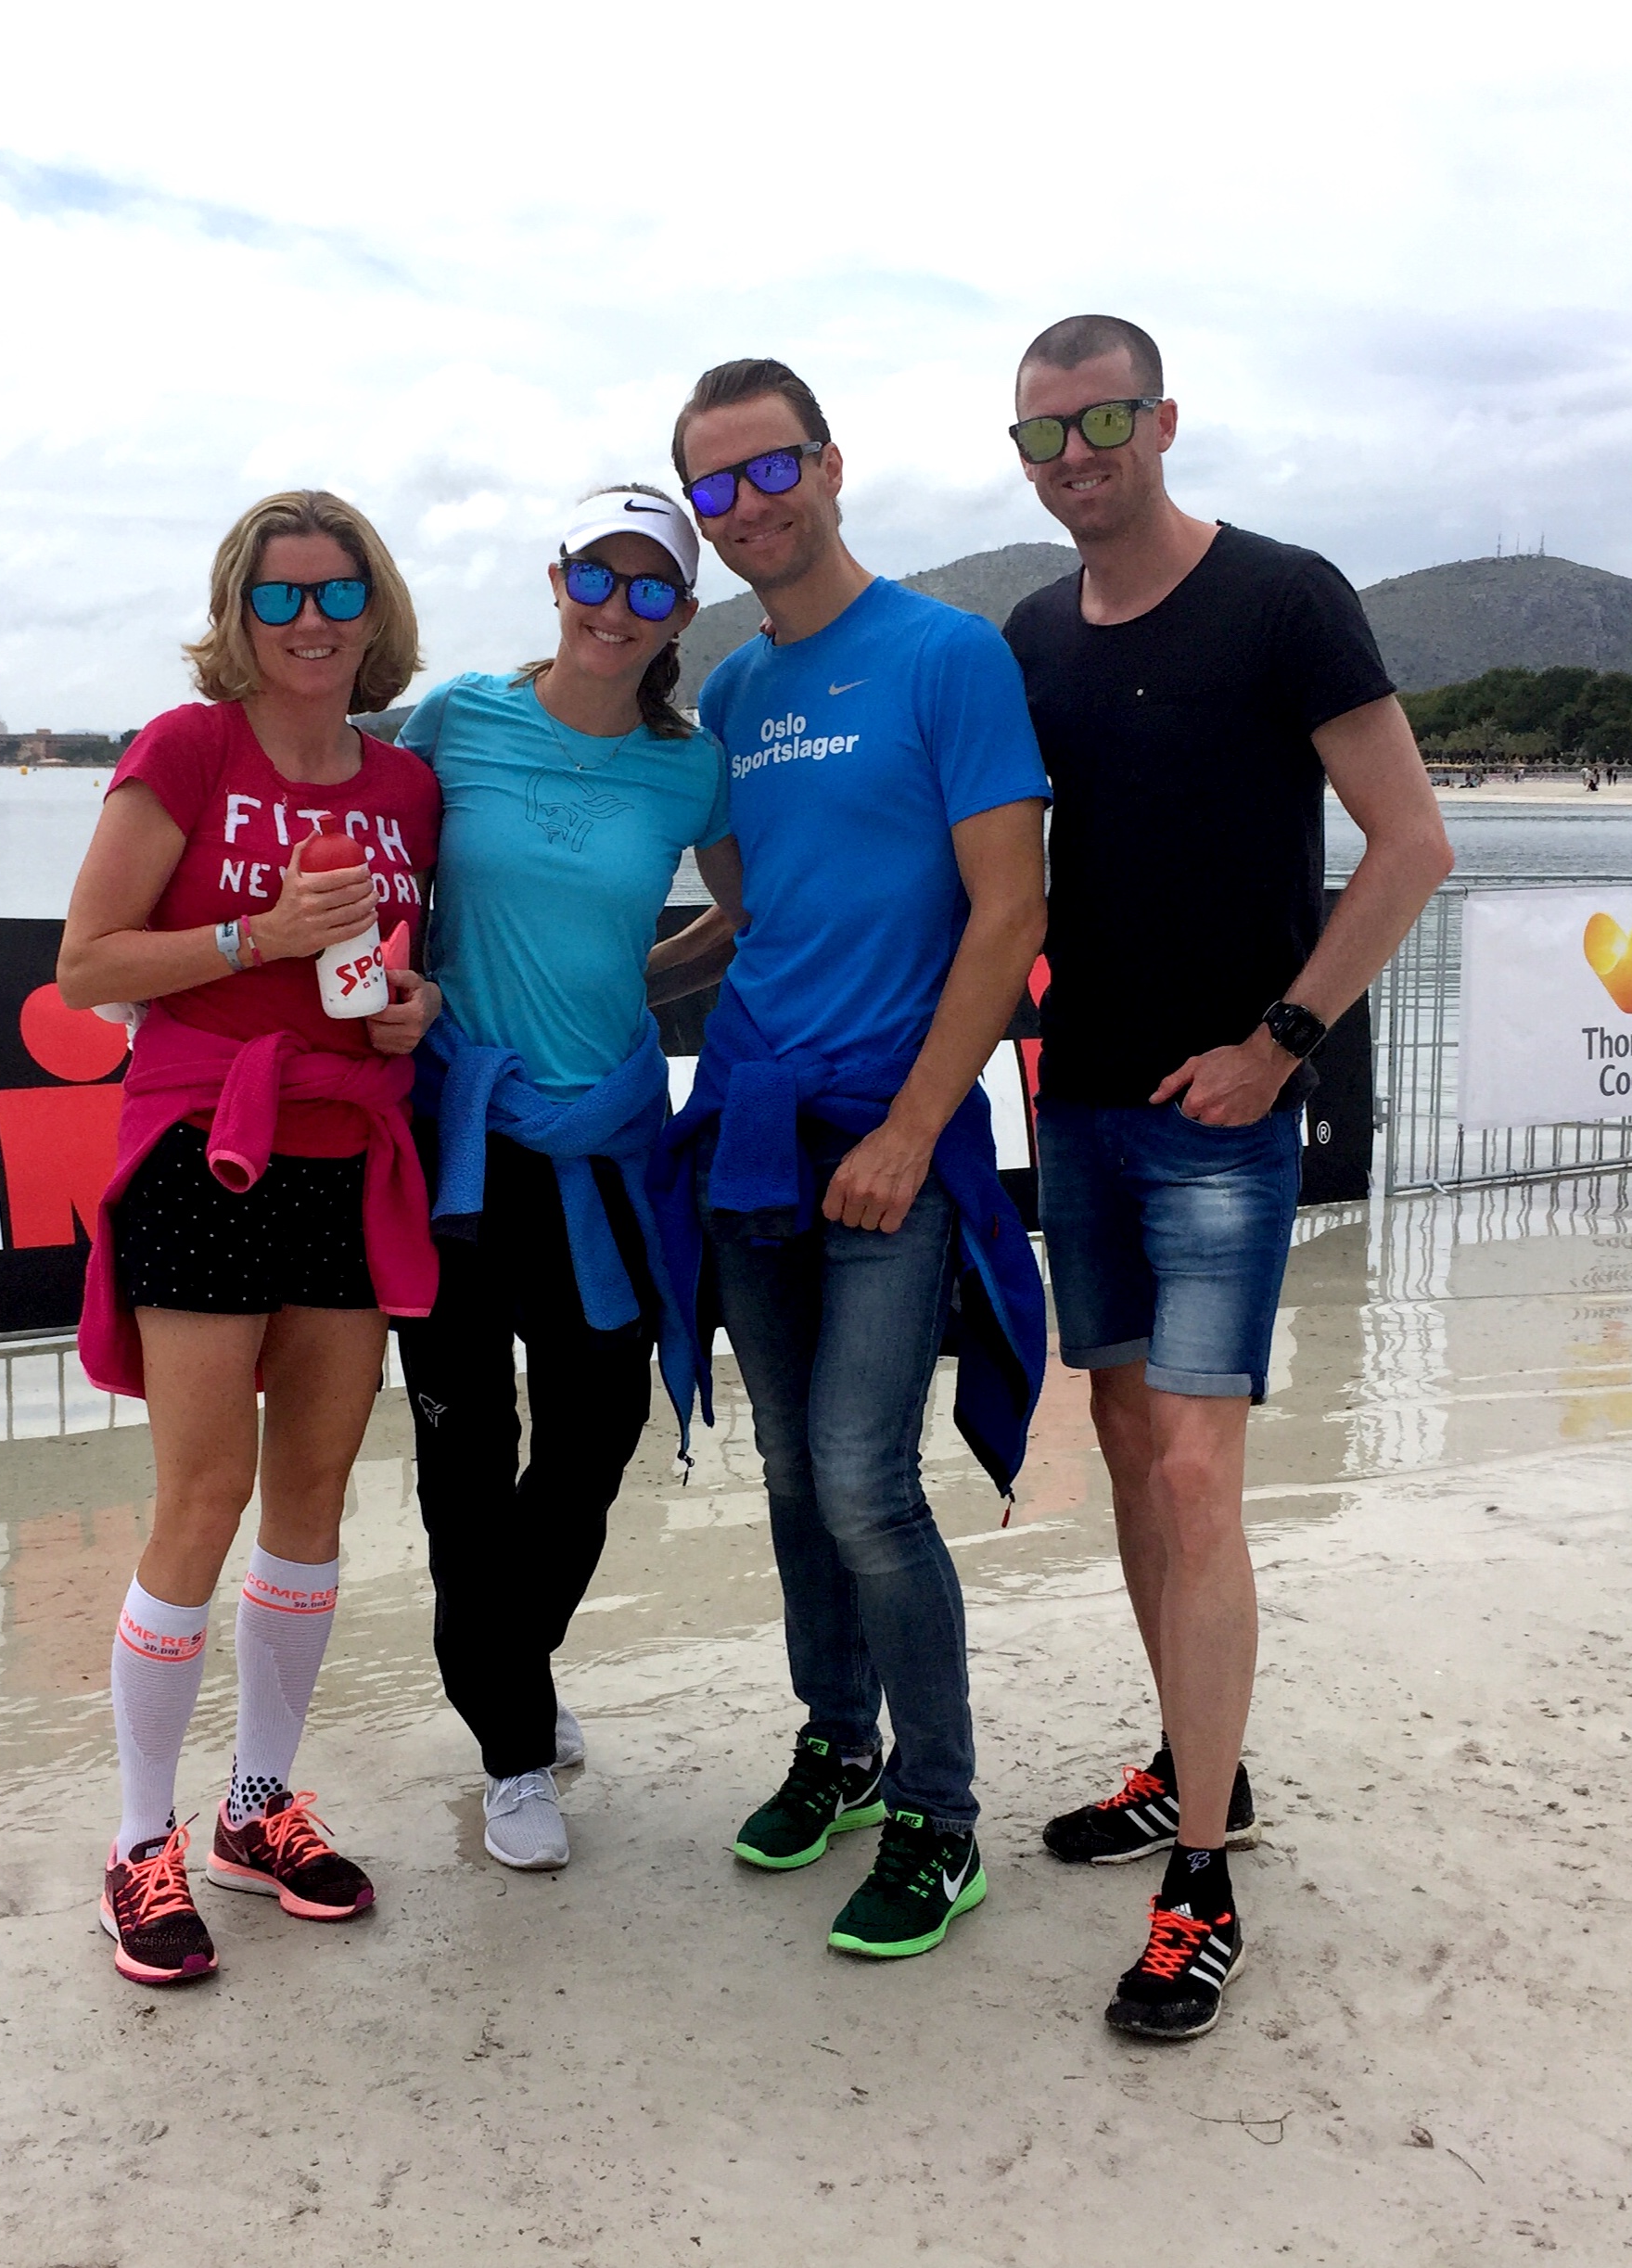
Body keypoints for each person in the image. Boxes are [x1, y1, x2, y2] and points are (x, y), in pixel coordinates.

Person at [1001, 315, 1453, 2040]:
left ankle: (1198, 1880)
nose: (1073, 456)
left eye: (1100, 420)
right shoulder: (1033, 634)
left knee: (1196, 1468)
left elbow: (1409, 843)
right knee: (1127, 1448)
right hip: (1080, 1103)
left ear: (1163, 418)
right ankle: (1203, 1766)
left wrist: (1281, 1040)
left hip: (1221, 1115)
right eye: (1041, 434)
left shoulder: (1282, 598)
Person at [652, 360, 1051, 1961]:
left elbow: (1008, 913)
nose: (747, 505)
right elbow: (744, 919)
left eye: (770, 469)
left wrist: (907, 1130)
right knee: (789, 1474)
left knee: (866, 1482)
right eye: (715, 486)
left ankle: (940, 1815)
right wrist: (569, 994)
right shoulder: (732, 699)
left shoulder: (948, 655)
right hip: (754, 1127)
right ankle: (840, 1744)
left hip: (895, 1133)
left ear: (828, 465)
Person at [58, 489, 443, 1986]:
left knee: (313, 1494)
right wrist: (252, 937)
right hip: (203, 1147)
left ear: (373, 607)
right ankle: (135, 1840)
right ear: (237, 613)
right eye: (279, 597)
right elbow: (87, 963)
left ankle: (256, 1804)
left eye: (337, 593)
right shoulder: (186, 749)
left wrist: (414, 1006)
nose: (310, 622)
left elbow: (399, 966)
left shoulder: (405, 787)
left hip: (350, 1150)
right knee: (203, 1494)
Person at [391, 485, 734, 1872]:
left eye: (650, 588)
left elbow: (746, 910)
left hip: (605, 1146)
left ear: (681, 614)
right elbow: (379, 874)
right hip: (459, 1152)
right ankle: (513, 1751)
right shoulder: (454, 720)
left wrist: (629, 985)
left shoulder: (689, 768)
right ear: (556, 579)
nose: (616, 608)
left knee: (594, 1439)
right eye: (597, 575)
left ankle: (504, 1668)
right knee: (464, 1460)